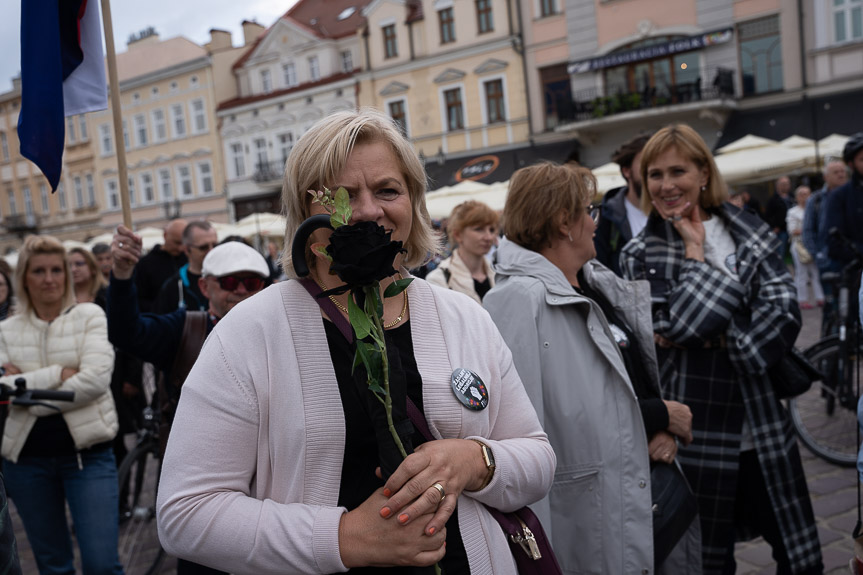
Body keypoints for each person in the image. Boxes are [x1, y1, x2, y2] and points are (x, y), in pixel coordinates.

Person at [154, 109, 555, 574]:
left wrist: (476, 460)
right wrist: (343, 538)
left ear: (413, 202)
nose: (368, 210)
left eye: (388, 190)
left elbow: (537, 456)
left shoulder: (464, 317)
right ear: (304, 212)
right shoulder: (249, 333)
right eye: (340, 196)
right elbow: (185, 513)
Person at [620, 124, 822, 574]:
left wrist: (722, 336)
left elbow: (786, 307)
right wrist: (695, 252)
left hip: (761, 418)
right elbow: (673, 324)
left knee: (797, 550)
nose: (666, 185)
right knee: (709, 559)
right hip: (697, 424)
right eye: (655, 174)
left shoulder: (746, 228)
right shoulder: (640, 252)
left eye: (678, 171)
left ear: (704, 173)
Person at [484, 161, 701, 574]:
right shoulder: (519, 299)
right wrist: (659, 416)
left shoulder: (592, 283)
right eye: (589, 209)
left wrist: (654, 429)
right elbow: (521, 433)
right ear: (564, 222)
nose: (595, 221)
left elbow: (618, 389)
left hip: (628, 496)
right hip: (585, 523)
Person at [109, 236, 270, 575]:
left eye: (252, 282)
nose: (241, 290)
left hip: (268, 476)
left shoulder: (276, 330)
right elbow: (126, 333)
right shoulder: (186, 327)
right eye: (229, 282)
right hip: (204, 478)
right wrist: (123, 277)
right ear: (204, 285)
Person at [0, 235, 122, 575]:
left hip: (89, 456)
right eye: (39, 271)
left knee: (101, 565)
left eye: (57, 270)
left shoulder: (90, 316)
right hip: (26, 462)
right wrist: (60, 375)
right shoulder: (6, 330)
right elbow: (1, 389)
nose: (50, 279)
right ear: (24, 277)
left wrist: (26, 387)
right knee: (53, 565)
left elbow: (96, 379)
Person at [594, 133, 652, 276]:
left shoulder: (674, 213)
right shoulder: (605, 219)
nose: (652, 169)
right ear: (627, 171)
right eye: (645, 163)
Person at [426, 200, 498, 302]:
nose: (488, 237)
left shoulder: (499, 274)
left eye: (491, 230)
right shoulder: (440, 280)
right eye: (479, 229)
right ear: (458, 235)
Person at [825, 132, 863, 324]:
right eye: (862, 159)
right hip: (852, 273)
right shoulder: (839, 197)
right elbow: (832, 239)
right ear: (851, 164)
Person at [156, 221, 217, 313]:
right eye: (203, 247)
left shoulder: (228, 280)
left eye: (215, 245)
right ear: (187, 250)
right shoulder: (173, 286)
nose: (211, 251)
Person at [135, 218, 187, 312]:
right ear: (165, 235)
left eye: (184, 243)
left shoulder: (188, 258)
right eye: (177, 242)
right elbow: (139, 299)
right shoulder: (145, 264)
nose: (180, 248)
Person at [786, 186, 824, 309]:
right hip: (799, 246)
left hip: (813, 245)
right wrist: (808, 230)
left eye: (807, 194)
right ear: (797, 197)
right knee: (802, 273)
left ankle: (821, 298)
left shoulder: (816, 210)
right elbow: (792, 230)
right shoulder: (793, 212)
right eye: (802, 194)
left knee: (816, 272)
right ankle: (802, 300)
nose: (805, 197)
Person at [765, 176, 792, 259]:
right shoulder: (773, 199)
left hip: (792, 228)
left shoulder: (792, 197)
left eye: (787, 184)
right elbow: (768, 215)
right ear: (778, 186)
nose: (785, 186)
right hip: (780, 230)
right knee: (781, 252)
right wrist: (774, 226)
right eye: (783, 184)